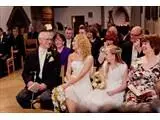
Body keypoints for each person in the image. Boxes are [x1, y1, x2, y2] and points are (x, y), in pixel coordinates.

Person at [16, 31, 61, 110]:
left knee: (45, 98)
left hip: (49, 85)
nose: (50, 42)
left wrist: (45, 84)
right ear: (40, 40)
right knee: (20, 97)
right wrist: (29, 82)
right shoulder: (31, 55)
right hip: (35, 85)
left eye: (50, 39)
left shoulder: (55, 55)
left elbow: (55, 74)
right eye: (47, 39)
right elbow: (25, 73)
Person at [84, 45, 128, 112]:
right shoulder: (105, 64)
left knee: (106, 104)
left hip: (116, 90)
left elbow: (124, 85)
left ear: (113, 55)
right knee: (92, 101)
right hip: (105, 87)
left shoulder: (123, 66)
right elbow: (101, 78)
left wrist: (113, 92)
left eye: (107, 54)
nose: (105, 56)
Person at [125, 35, 160, 106]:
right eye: (142, 44)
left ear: (154, 46)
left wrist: (152, 92)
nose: (142, 46)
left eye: (145, 44)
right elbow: (129, 81)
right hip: (134, 94)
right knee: (131, 105)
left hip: (152, 96)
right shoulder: (137, 61)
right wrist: (137, 92)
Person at [63, 34, 93, 112]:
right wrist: (70, 81)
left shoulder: (89, 58)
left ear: (81, 43)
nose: (72, 43)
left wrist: (68, 83)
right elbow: (67, 72)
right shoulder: (71, 56)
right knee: (69, 91)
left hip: (84, 85)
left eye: (74, 41)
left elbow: (81, 76)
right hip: (72, 84)